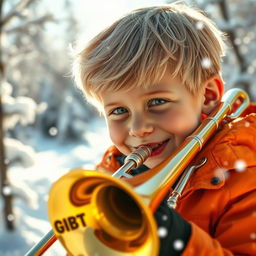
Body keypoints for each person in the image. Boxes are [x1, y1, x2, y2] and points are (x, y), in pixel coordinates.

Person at [72, 2, 256, 255]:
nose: (138, 128)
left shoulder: (246, 179)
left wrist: (178, 242)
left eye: (157, 102)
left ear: (208, 94)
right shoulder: (112, 177)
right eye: (118, 111)